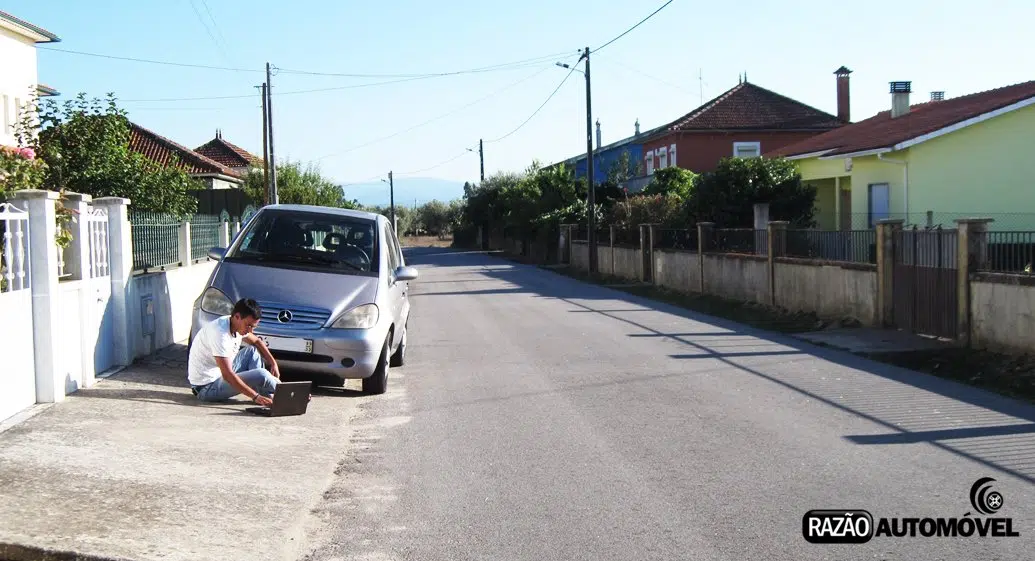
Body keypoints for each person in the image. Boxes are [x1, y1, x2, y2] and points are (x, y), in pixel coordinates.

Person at [187, 298, 281, 405]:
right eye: (248, 326)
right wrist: (255, 396)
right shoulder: (220, 334)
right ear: (237, 317)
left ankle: (268, 396)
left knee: (252, 351)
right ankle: (285, 394)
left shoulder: (235, 323)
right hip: (206, 388)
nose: (250, 331)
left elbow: (257, 342)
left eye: (253, 327)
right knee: (262, 374)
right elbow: (227, 375)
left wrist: (273, 363)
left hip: (220, 375)